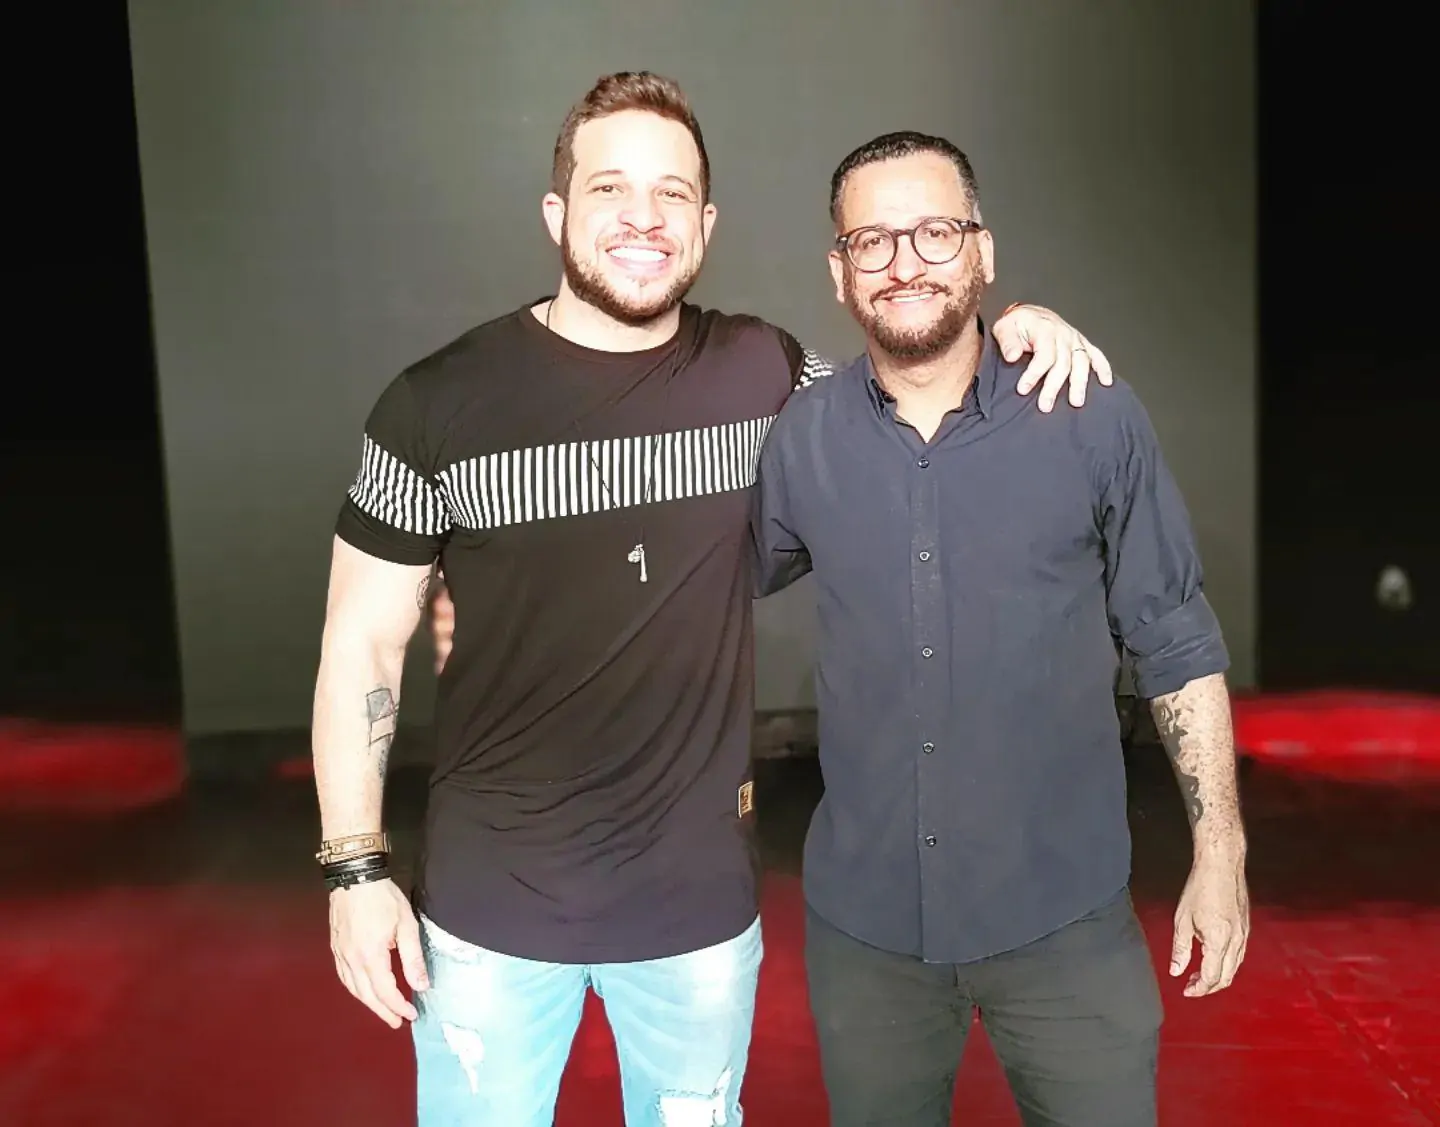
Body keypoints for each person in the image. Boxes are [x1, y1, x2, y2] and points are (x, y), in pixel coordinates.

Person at [314, 72, 1109, 1127]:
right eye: (609, 189)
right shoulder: (434, 404)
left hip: (693, 917)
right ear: (556, 212)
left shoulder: (765, 372)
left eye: (673, 193)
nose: (643, 218)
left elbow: (912, 390)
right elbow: (362, 643)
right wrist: (355, 869)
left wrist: (1015, 327)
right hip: (488, 914)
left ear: (706, 223)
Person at [751, 130, 1250, 1127]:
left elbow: (1174, 638)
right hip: (870, 935)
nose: (905, 263)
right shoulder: (802, 437)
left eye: (935, 233)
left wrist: (1221, 846)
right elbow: (702, 584)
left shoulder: (1089, 412)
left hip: (1065, 918)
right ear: (840, 272)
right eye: (872, 241)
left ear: (982, 250)